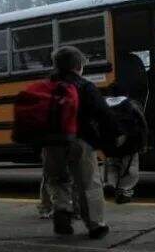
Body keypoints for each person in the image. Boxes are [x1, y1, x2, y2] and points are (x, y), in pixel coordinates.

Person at [43, 46, 122, 239]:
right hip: (80, 140)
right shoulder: (85, 86)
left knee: (57, 180)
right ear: (78, 66)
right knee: (89, 184)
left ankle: (62, 209)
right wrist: (114, 137)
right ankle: (96, 225)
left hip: (52, 143)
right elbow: (103, 114)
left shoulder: (45, 87)